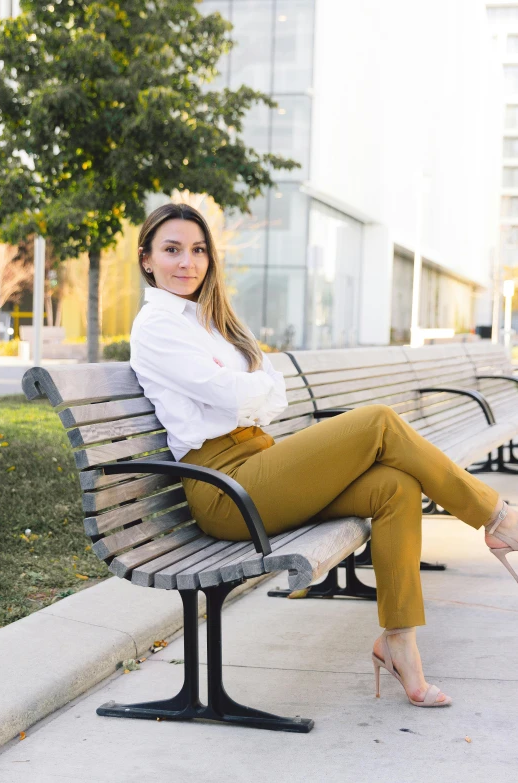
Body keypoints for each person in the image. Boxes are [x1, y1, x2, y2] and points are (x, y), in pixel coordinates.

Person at [130, 202, 518, 709]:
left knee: (396, 487)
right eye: (172, 250)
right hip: (226, 488)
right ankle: (497, 518)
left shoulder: (208, 321)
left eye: (198, 250)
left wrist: (252, 390)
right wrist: (252, 390)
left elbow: (271, 389)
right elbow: (236, 395)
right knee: (379, 421)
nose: (188, 262)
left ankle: (398, 642)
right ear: (147, 259)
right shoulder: (157, 325)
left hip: (257, 463)